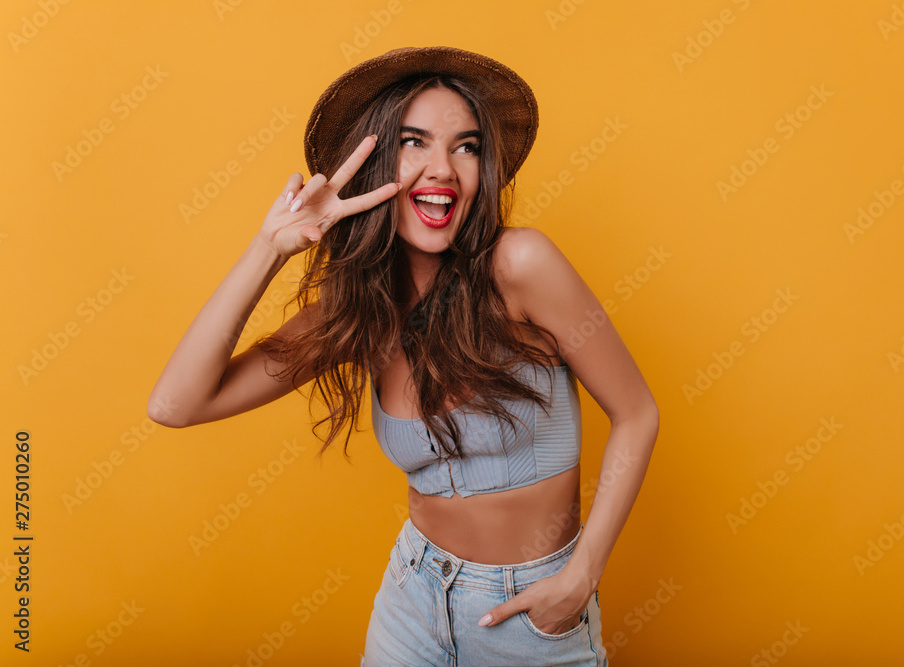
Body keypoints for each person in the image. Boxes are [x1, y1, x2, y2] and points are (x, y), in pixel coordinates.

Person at [148, 46, 658, 666]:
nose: (442, 168)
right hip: (413, 598)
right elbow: (176, 404)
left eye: (466, 147)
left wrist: (579, 579)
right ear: (372, 165)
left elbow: (637, 412)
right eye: (413, 142)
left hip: (529, 613)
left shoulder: (521, 265)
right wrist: (270, 246)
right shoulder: (361, 311)